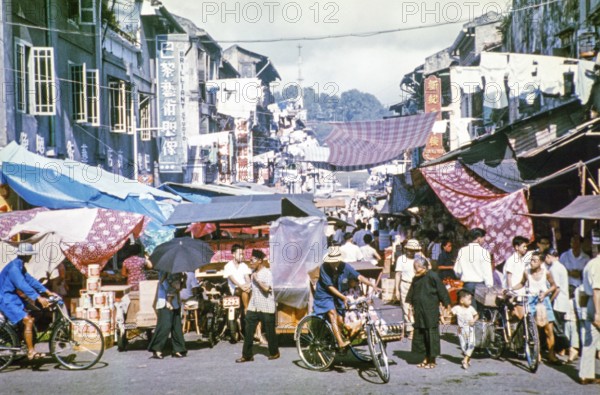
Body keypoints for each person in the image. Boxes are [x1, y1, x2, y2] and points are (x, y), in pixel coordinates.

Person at [0, 243, 57, 360]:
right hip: (5, 299)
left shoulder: (19, 265)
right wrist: (38, 297)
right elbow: (22, 285)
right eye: (30, 255)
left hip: (12, 297)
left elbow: (30, 280)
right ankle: (31, 351)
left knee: (36, 314)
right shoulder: (14, 268)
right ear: (25, 255)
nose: (31, 257)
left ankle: (25, 338)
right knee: (28, 321)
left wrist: (46, 291)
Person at [313, 247, 377, 348]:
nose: (334, 264)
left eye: (336, 261)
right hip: (325, 294)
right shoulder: (324, 267)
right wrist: (343, 297)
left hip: (338, 293)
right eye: (332, 261)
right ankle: (340, 342)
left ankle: (339, 338)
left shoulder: (345, 266)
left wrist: (372, 285)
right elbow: (329, 287)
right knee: (332, 313)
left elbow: (358, 276)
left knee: (341, 320)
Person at [512, 251, 561, 364]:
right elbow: (521, 283)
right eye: (531, 260)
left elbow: (554, 286)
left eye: (535, 260)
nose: (532, 262)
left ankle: (551, 354)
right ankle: (536, 353)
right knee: (534, 330)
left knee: (549, 330)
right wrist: (511, 288)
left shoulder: (546, 273)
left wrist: (545, 293)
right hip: (532, 301)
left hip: (544, 301)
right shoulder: (527, 272)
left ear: (541, 262)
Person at [407, 255, 451, 369]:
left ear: (425, 267)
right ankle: (425, 358)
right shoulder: (416, 278)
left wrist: (447, 305)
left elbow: (442, 291)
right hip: (419, 310)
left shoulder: (433, 276)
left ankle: (432, 360)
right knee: (421, 334)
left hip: (430, 310)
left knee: (431, 333)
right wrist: (409, 306)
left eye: (418, 268)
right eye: (415, 268)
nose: (416, 270)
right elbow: (412, 292)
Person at [236, 250, 279, 362]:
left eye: (253, 260)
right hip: (254, 305)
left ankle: (274, 352)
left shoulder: (267, 273)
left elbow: (266, 289)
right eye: (250, 259)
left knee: (270, 332)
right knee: (248, 329)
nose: (251, 262)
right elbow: (252, 288)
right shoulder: (253, 272)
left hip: (266, 306)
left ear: (260, 261)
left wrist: (257, 279)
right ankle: (247, 355)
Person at [148, 272, 187, 359]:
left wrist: (184, 279)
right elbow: (165, 284)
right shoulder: (165, 270)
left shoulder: (178, 271)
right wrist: (171, 295)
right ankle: (156, 348)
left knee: (176, 326)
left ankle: (178, 349)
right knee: (165, 325)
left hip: (175, 302)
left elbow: (180, 287)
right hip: (165, 301)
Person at [454, 228, 493, 313]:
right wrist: (489, 286)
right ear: (478, 238)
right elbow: (487, 272)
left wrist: (462, 276)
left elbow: (457, 270)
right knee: (479, 311)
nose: (483, 240)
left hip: (468, 285)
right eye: (483, 238)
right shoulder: (484, 252)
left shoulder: (462, 251)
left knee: (468, 311)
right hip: (481, 285)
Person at [578, 255, 600, 384]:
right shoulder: (598, 265)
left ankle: (586, 374)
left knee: (589, 340)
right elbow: (597, 289)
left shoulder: (590, 263)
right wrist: (598, 313)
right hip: (597, 303)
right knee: (590, 339)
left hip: (591, 303)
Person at [394, 239, 422, 339]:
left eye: (413, 250)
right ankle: (410, 330)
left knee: (416, 307)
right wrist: (396, 289)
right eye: (409, 250)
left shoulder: (419, 258)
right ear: (406, 249)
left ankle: (415, 327)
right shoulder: (401, 259)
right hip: (405, 284)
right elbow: (398, 274)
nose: (411, 252)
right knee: (406, 308)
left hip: (417, 285)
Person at [545, 248, 570, 353]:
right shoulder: (561, 267)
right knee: (560, 326)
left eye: (547, 257)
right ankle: (561, 349)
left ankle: (570, 347)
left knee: (557, 328)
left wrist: (550, 301)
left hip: (558, 302)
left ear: (549, 257)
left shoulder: (554, 269)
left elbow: (556, 288)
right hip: (563, 301)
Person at [451, 289, 478, 370]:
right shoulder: (457, 308)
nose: (470, 301)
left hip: (470, 329)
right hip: (461, 330)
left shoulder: (471, 308)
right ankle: (467, 357)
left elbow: (476, 315)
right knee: (463, 347)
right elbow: (450, 313)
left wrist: (473, 320)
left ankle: (465, 360)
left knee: (471, 344)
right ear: (462, 301)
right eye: (469, 299)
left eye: (471, 299)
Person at [223, 244, 252, 311]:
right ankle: (247, 309)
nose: (242, 256)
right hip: (235, 289)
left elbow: (247, 278)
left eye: (242, 254)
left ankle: (247, 309)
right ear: (233, 254)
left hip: (244, 288)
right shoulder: (228, 266)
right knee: (244, 291)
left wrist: (248, 285)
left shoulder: (243, 265)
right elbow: (233, 280)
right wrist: (241, 286)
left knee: (248, 292)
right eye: (240, 254)